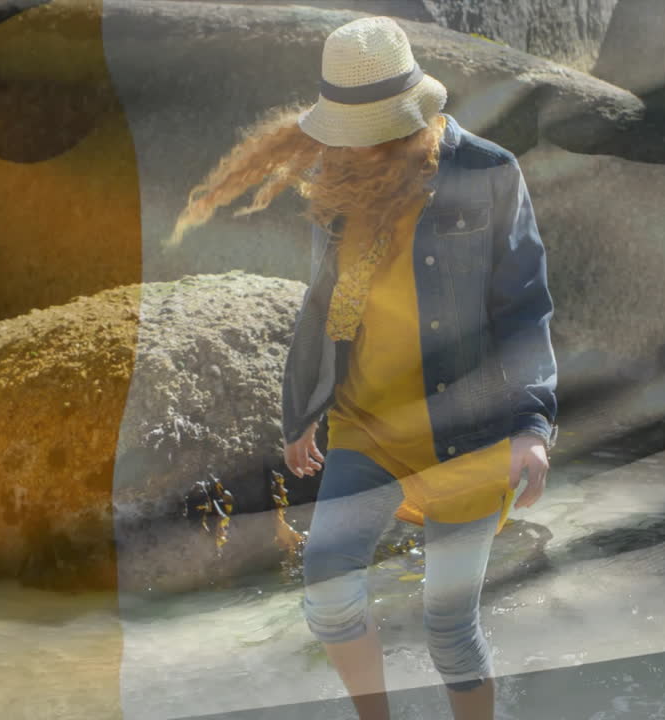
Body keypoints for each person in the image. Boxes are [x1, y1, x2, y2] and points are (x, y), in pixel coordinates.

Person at [168, 16, 557, 720]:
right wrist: (301, 412)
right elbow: (321, 309)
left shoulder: (490, 174)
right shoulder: (337, 184)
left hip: (467, 434)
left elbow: (525, 307)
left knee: (449, 628)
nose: (362, 146)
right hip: (365, 427)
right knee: (326, 587)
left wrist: (532, 425)